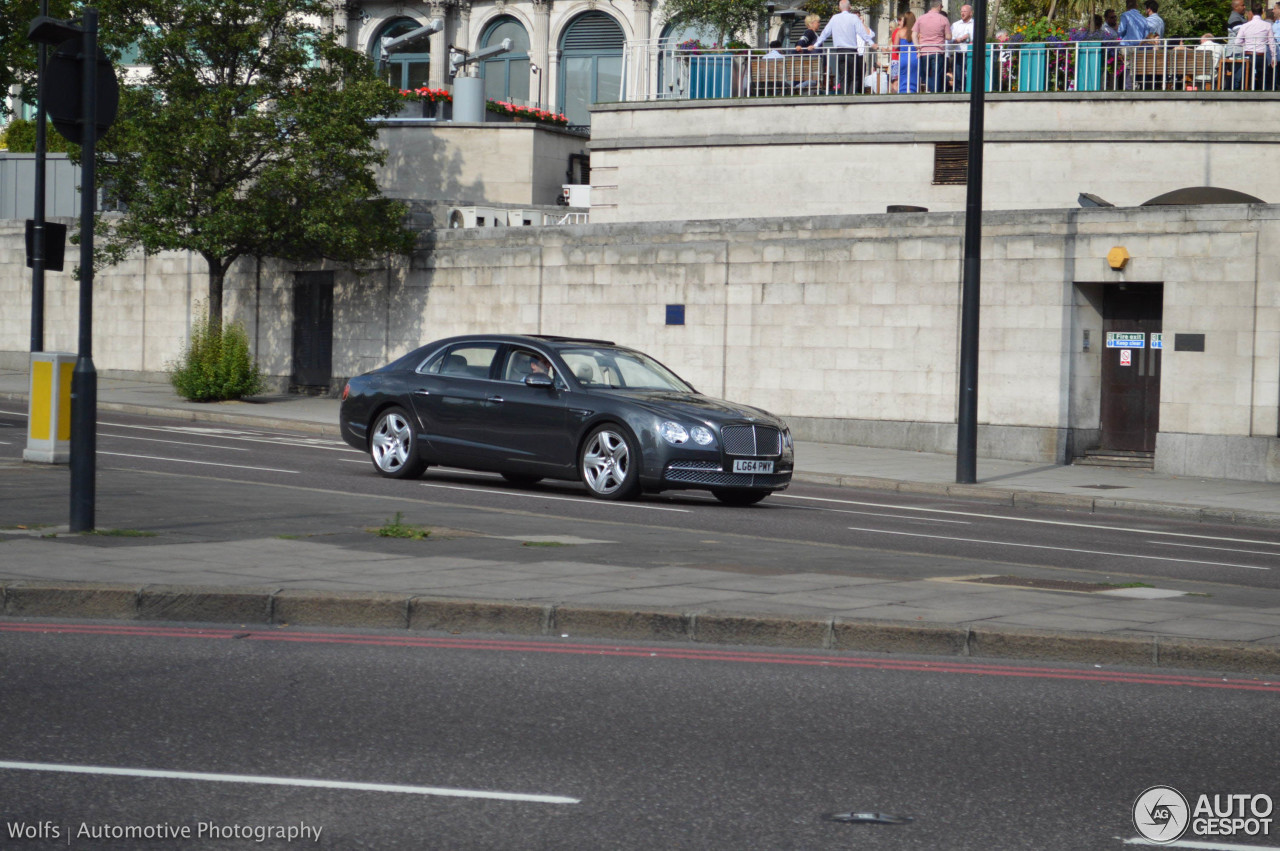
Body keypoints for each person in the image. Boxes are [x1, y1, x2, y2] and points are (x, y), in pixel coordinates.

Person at [810, 0, 875, 94]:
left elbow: (825, 33)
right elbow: (862, 33)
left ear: (839, 8)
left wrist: (815, 45)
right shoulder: (853, 18)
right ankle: (851, 95)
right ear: (850, 7)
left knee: (843, 75)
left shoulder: (835, 18)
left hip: (840, 51)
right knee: (854, 75)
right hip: (852, 51)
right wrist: (871, 43)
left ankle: (844, 94)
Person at [1234, 2, 1276, 89]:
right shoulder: (1267, 25)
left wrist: (1246, 44)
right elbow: (1271, 43)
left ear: (1252, 12)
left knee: (1247, 77)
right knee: (1263, 78)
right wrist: (1273, 57)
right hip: (1261, 55)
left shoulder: (1245, 26)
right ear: (1262, 12)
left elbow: (1237, 41)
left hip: (1248, 54)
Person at [913, 0, 951, 92]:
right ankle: (936, 91)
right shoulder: (943, 19)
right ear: (939, 6)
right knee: (937, 74)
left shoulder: (921, 18)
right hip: (938, 50)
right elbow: (949, 37)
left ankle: (934, 90)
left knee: (924, 74)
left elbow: (914, 34)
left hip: (924, 51)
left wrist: (917, 46)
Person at [950, 4, 974, 91]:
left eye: (965, 11)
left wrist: (969, 37)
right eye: (961, 11)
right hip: (958, 53)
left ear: (971, 13)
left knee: (971, 75)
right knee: (958, 75)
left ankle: (971, 92)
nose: (962, 13)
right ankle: (958, 93)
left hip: (971, 53)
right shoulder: (955, 25)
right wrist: (958, 39)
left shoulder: (976, 24)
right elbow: (950, 39)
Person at [896, 12, 920, 93]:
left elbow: (895, 46)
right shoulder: (918, 33)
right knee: (914, 77)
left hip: (903, 57)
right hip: (914, 58)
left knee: (903, 77)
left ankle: (902, 93)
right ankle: (913, 92)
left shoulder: (899, 32)